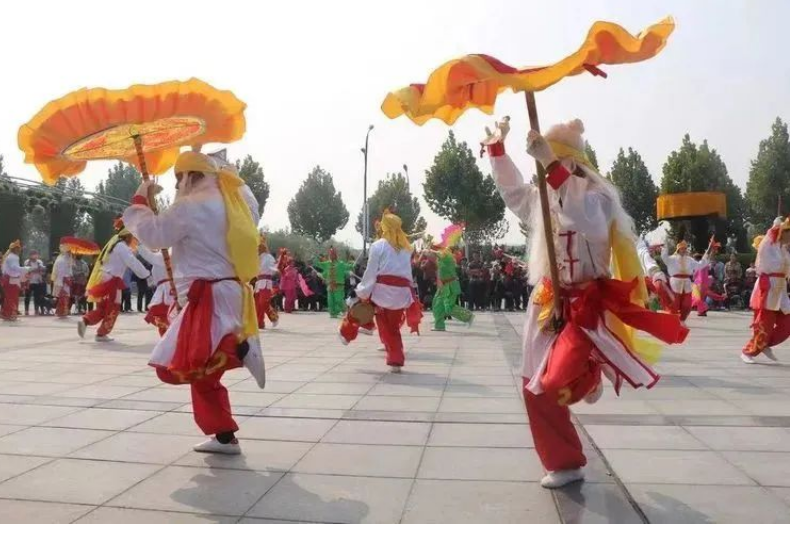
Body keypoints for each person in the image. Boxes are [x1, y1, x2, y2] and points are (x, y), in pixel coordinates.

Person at [486, 118, 687, 489]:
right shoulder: (544, 196)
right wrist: (498, 151)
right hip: (547, 300)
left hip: (586, 304)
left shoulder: (598, 197)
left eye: (553, 159)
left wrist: (550, 163)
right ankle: (563, 462)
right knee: (534, 384)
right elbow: (514, 193)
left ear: (572, 161)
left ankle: (589, 374)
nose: (545, 168)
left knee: (558, 378)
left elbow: (584, 218)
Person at [124, 150, 265, 454]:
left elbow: (154, 236)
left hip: (208, 296)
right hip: (233, 292)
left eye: (179, 178)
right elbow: (252, 207)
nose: (178, 185)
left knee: (189, 363)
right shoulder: (236, 201)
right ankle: (224, 434)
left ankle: (235, 349)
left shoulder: (189, 206)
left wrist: (140, 199)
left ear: (188, 176)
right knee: (202, 371)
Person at [345, 212, 422, 372]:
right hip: (402, 293)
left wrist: (362, 290)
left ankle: (394, 357)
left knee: (360, 307)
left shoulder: (378, 245)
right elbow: (407, 273)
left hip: (383, 293)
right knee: (391, 325)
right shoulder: (407, 247)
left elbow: (371, 271)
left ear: (384, 227)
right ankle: (372, 330)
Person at [78, 221, 150, 341]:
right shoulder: (122, 247)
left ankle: (86, 320)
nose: (134, 239)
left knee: (103, 307)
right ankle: (101, 334)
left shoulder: (115, 244)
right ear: (127, 235)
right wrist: (146, 274)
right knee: (113, 308)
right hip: (112, 281)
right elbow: (132, 262)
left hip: (104, 277)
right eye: (132, 236)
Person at [741, 219, 790, 363]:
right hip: (767, 287)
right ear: (782, 232)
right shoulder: (769, 244)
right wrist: (776, 225)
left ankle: (764, 344)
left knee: (787, 323)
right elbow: (769, 237)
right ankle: (748, 352)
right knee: (765, 324)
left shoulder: (784, 249)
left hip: (781, 289)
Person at [661, 240, 711, 323]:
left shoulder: (690, 259)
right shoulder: (672, 259)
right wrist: (665, 247)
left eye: (685, 248)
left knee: (687, 304)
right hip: (675, 282)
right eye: (682, 248)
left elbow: (700, 265)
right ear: (678, 250)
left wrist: (707, 254)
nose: (683, 250)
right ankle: (673, 320)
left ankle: (682, 320)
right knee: (674, 303)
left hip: (687, 282)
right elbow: (664, 257)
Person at [430, 244, 473, 331]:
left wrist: (429, 250)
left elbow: (436, 253)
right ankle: (439, 326)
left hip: (451, 286)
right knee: (437, 305)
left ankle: (468, 316)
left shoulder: (447, 255)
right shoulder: (442, 257)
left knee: (448, 307)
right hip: (443, 286)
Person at [139, 245, 174, 337]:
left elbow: (149, 256)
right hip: (166, 288)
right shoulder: (165, 254)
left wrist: (138, 245)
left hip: (165, 290)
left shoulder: (164, 255)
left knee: (162, 315)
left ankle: (168, 339)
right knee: (164, 317)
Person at [314, 247, 353, 318]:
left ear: (336, 255)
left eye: (333, 254)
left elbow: (350, 266)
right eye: (330, 254)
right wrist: (315, 256)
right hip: (330, 285)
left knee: (338, 300)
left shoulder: (341, 264)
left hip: (338, 285)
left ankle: (345, 310)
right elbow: (317, 264)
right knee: (330, 300)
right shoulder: (327, 264)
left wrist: (353, 265)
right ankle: (333, 313)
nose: (331, 255)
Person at [254, 234, 279, 329]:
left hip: (266, 281)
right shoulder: (256, 257)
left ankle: (274, 317)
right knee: (257, 304)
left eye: (259, 246)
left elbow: (274, 268)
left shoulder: (268, 257)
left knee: (263, 302)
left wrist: (277, 270)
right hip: (258, 282)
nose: (258, 249)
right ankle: (260, 322)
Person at [1, 240, 28, 321]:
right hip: (11, 279)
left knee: (10, 297)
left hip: (9, 279)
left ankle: (7, 314)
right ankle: (10, 314)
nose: (19, 250)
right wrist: (25, 269)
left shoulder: (10, 256)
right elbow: (14, 267)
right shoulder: (13, 257)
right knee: (12, 298)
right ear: (14, 249)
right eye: (18, 248)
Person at [52, 241, 74, 318]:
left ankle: (62, 311)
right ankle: (62, 311)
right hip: (63, 281)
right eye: (69, 251)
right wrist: (65, 279)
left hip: (67, 280)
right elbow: (60, 272)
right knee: (64, 296)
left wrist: (70, 277)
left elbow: (69, 270)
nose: (70, 252)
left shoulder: (68, 259)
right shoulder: (61, 260)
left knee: (66, 296)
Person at [24, 250, 47, 316]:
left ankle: (36, 310)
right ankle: (26, 310)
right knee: (27, 296)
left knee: (37, 297)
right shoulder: (27, 261)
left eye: (36, 254)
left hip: (37, 282)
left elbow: (42, 270)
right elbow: (27, 270)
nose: (35, 256)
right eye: (33, 254)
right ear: (30, 255)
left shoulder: (39, 262)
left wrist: (37, 270)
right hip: (29, 282)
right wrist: (35, 270)